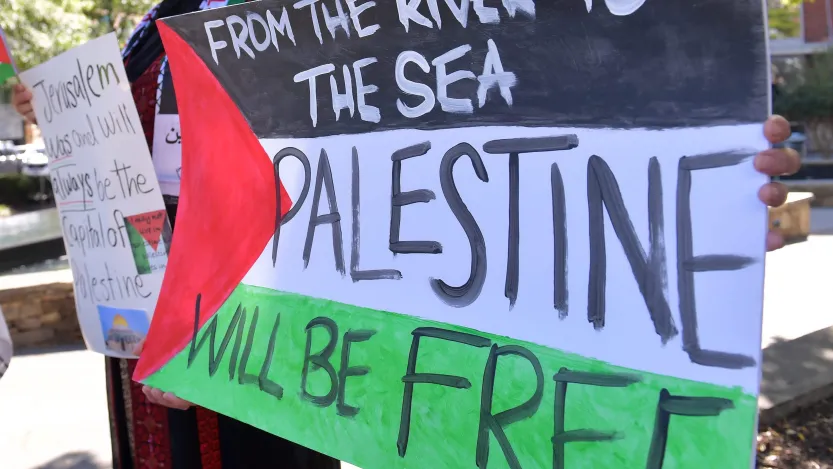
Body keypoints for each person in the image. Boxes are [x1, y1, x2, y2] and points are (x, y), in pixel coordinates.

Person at [11, 5, 801, 468]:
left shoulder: (336, 23)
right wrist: (82, 122)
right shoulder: (158, 19)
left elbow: (471, 143)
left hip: (260, 365)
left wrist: (708, 179)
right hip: (155, 363)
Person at [11, 1, 340, 468]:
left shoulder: (270, 16)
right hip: (152, 297)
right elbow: (130, 138)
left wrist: (215, 328)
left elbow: (306, 173)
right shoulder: (156, 20)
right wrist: (56, 112)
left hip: (237, 316)